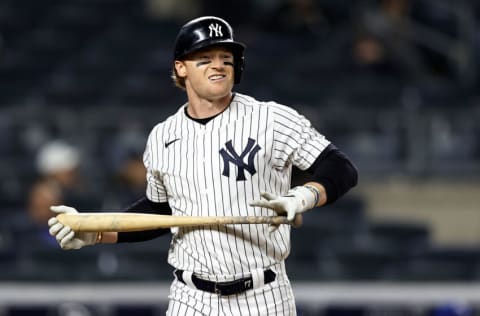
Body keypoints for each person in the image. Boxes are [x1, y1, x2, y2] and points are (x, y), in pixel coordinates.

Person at [48, 16, 358, 315]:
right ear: (181, 68)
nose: (219, 64)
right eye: (205, 57)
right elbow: (161, 212)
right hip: (190, 297)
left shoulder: (272, 119)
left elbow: (340, 168)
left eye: (226, 56)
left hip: (264, 296)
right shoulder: (163, 135)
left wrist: (303, 196)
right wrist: (97, 233)